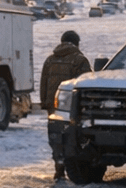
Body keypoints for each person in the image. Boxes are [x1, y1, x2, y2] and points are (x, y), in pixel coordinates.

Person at [39, 29, 92, 179]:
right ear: (76, 43)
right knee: (72, 137)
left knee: (57, 138)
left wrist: (45, 102)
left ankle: (59, 167)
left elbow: (43, 83)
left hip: (53, 107)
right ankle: (74, 167)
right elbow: (86, 84)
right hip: (71, 108)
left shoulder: (50, 60)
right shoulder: (79, 60)